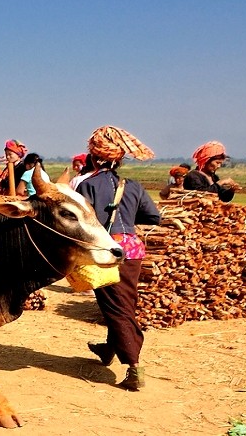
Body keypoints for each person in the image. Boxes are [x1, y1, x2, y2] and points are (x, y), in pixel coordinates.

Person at [75, 125, 161, 391]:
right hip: (133, 250)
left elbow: (78, 222)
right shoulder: (132, 186)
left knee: (116, 307)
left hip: (106, 251)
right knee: (124, 301)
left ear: (93, 157)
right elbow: (153, 217)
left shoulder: (87, 185)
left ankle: (133, 366)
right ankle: (108, 348)